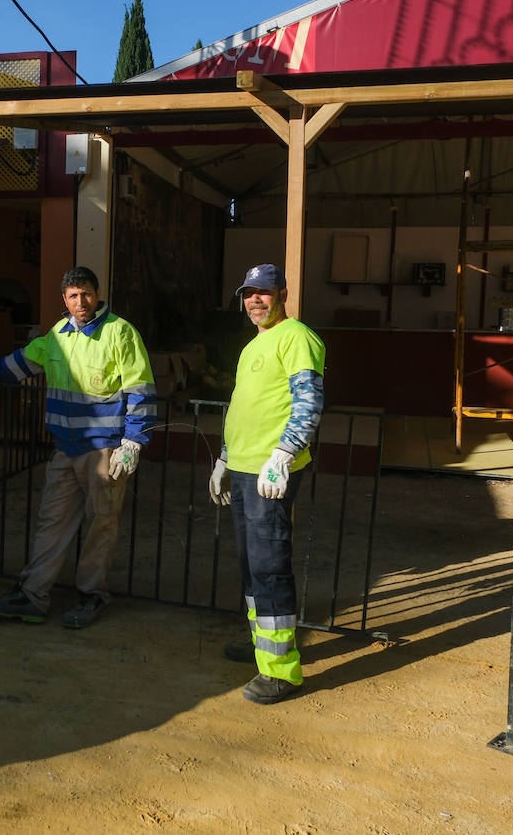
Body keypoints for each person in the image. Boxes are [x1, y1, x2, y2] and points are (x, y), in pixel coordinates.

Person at [0, 266, 155, 629]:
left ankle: (92, 595)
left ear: (98, 294)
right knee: (52, 522)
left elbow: (140, 389)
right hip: (65, 449)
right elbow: (21, 364)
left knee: (101, 525)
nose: (81, 301)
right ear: (64, 300)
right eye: (73, 295)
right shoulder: (57, 335)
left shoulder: (120, 333)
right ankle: (33, 595)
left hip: (104, 450)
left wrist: (133, 442)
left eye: (87, 293)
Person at [208, 263, 325, 705]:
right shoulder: (255, 344)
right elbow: (243, 407)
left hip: (269, 472)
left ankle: (281, 672)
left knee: (270, 565)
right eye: (248, 293)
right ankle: (264, 649)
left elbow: (309, 399)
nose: (255, 299)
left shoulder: (297, 337)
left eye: (264, 292)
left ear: (282, 294)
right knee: (251, 564)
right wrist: (223, 456)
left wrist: (285, 453)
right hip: (242, 468)